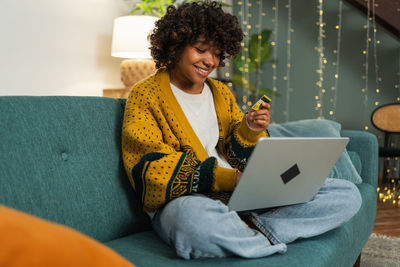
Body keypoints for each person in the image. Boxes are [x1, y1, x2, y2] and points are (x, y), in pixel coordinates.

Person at [122, 0, 361, 260]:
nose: (210, 61)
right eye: (201, 50)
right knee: (192, 223)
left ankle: (256, 231)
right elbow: (150, 169)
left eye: (216, 53)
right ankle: (263, 233)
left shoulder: (221, 94)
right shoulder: (145, 95)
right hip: (189, 201)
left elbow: (239, 156)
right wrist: (229, 179)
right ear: (176, 44)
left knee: (345, 194)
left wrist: (249, 129)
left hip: (241, 196)